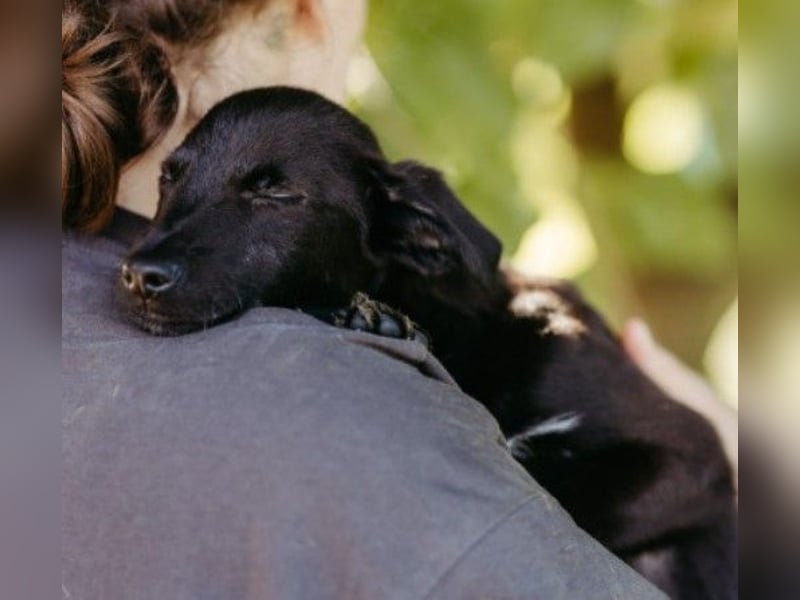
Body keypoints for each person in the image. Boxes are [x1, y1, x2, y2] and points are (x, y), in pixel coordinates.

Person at [62, 1, 732, 597]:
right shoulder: (398, 462)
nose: (150, 257)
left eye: (267, 194)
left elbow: (680, 476)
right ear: (309, 13)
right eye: (182, 183)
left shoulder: (518, 342)